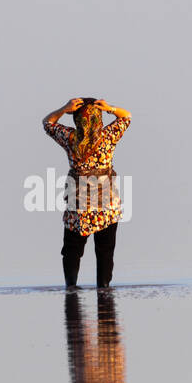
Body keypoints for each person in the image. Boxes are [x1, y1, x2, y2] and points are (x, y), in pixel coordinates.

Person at [41, 97, 131, 288]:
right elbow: (126, 117)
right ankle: (103, 289)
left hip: (79, 206)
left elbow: (47, 122)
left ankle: (71, 287)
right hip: (107, 205)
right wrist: (110, 108)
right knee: (105, 252)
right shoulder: (108, 136)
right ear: (99, 118)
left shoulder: (70, 138)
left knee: (72, 251)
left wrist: (64, 108)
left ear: (77, 119)